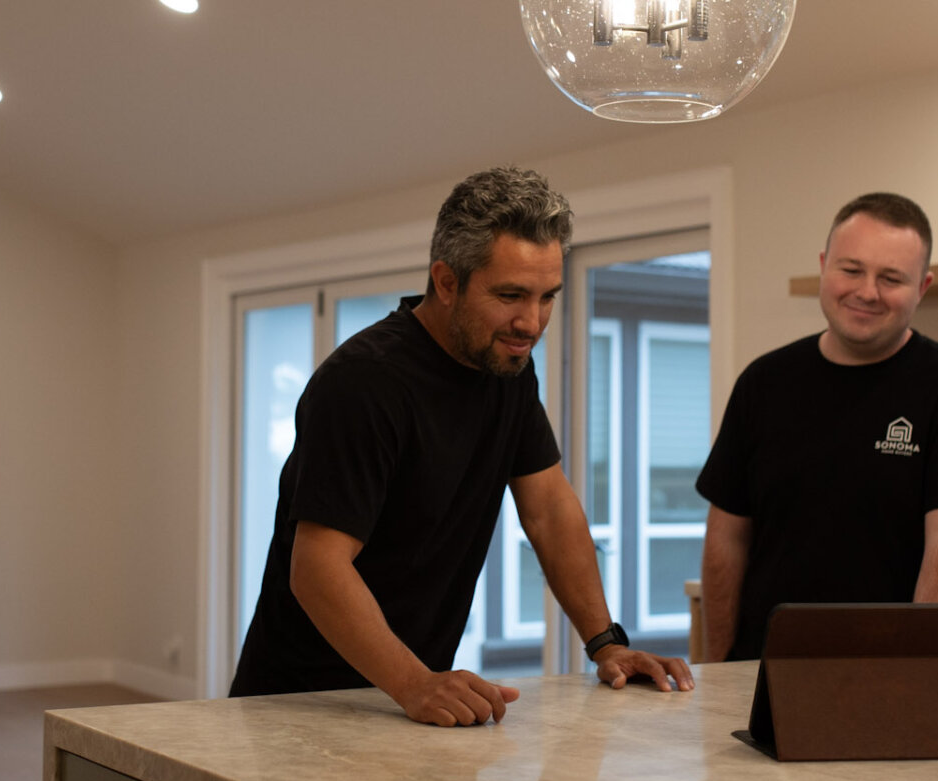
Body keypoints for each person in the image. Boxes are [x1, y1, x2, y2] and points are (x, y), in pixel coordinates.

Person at [229, 166, 694, 726]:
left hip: (410, 703)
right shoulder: (363, 383)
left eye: (548, 297)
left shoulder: (508, 371)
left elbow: (548, 509)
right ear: (447, 282)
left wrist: (606, 644)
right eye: (510, 295)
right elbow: (317, 567)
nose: (532, 322)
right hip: (300, 705)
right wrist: (414, 683)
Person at [695, 193, 938, 663]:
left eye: (891, 278)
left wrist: (914, 668)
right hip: (760, 671)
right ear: (824, 266)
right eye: (851, 269)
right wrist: (714, 669)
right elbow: (726, 539)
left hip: (883, 671)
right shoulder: (764, 382)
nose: (867, 291)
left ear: (922, 286)